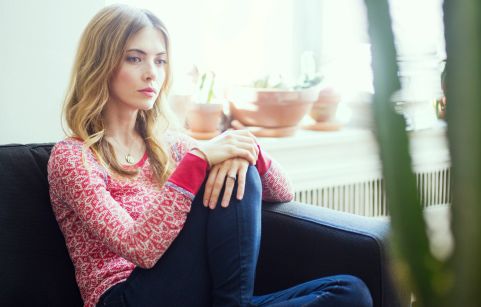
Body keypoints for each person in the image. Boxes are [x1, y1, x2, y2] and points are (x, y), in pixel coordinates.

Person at [47, 4, 373, 307]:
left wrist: (249, 150)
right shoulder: (73, 157)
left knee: (351, 293)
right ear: (101, 64)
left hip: (196, 293)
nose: (152, 74)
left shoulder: (168, 145)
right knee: (230, 168)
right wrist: (199, 161)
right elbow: (139, 249)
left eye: (160, 60)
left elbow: (283, 192)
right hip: (126, 295)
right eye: (135, 58)